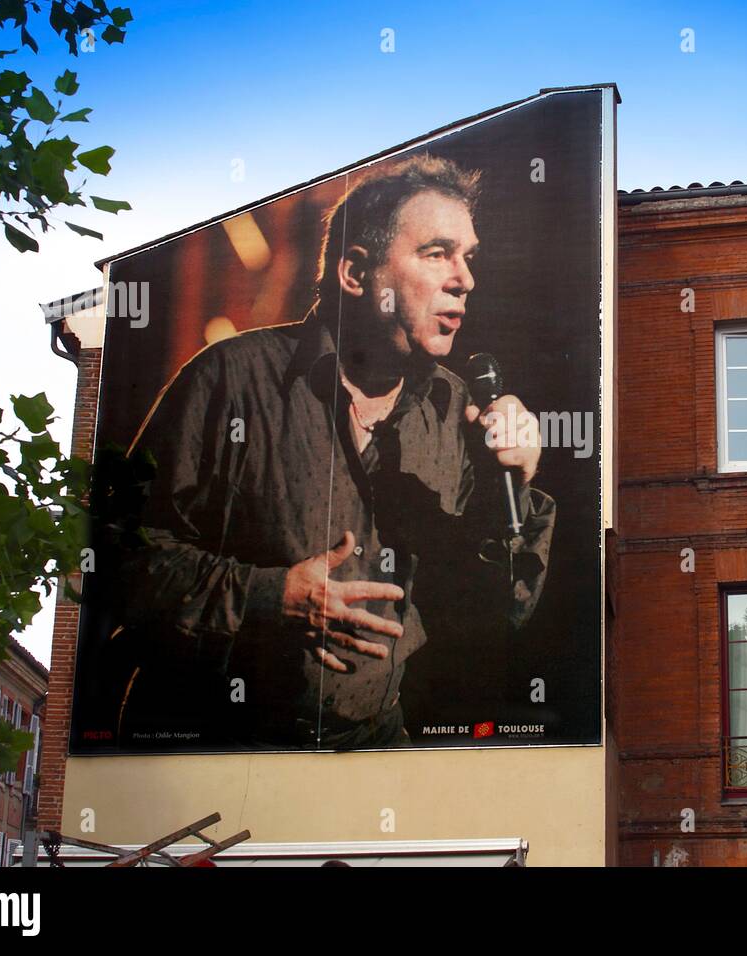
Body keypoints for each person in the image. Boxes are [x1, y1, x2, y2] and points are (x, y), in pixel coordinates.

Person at [107, 154, 556, 750]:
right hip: (217, 751)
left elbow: (498, 614)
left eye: (467, 258)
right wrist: (274, 597)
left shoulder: (455, 413)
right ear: (354, 274)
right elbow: (115, 562)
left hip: (374, 751)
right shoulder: (230, 380)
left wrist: (515, 489)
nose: (464, 279)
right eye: (436, 253)